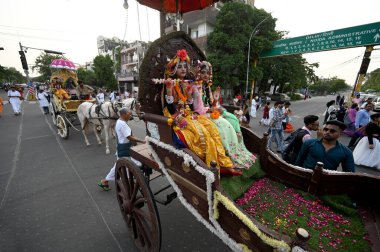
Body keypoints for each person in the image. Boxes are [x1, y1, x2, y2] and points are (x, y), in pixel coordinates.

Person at [98, 108, 146, 191]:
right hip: (125, 148)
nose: (130, 116)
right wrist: (142, 141)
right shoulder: (122, 124)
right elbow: (129, 137)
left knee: (118, 166)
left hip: (122, 146)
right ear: (124, 114)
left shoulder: (120, 122)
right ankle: (127, 182)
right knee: (132, 164)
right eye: (129, 114)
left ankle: (105, 181)